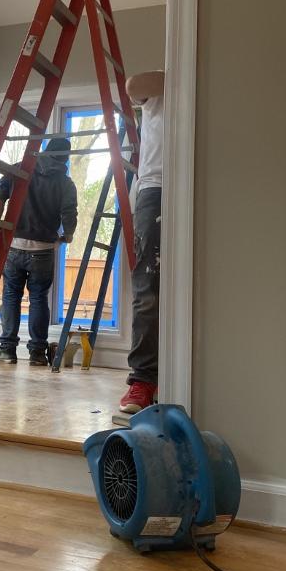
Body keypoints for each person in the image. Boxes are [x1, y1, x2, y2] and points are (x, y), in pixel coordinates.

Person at [0, 138, 78, 366]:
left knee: (11, 295)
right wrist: (67, 236)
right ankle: (37, 354)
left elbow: (0, 198)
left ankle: (7, 350)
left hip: (14, 245)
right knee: (39, 298)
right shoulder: (65, 183)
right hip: (43, 249)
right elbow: (69, 214)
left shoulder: (19, 169)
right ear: (65, 158)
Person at [118, 70, 165, 415]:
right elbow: (133, 86)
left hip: (198, 179)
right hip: (155, 187)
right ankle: (144, 380)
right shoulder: (160, 83)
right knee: (148, 288)